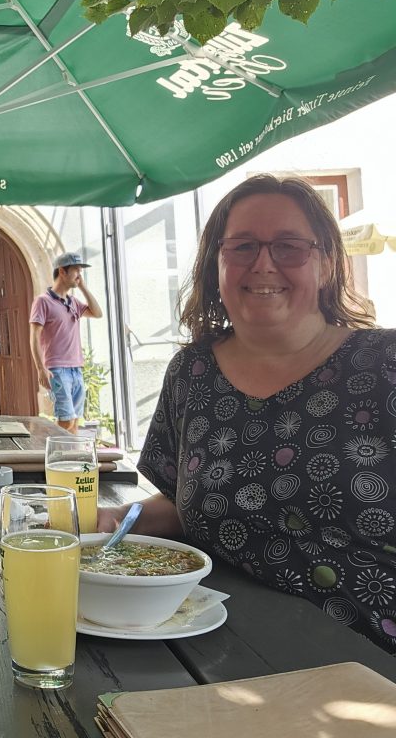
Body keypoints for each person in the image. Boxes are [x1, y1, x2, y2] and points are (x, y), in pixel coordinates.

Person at [98, 175, 396, 651]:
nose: (263, 264)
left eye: (289, 246)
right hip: (222, 645)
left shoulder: (385, 363)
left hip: (372, 652)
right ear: (215, 264)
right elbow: (184, 502)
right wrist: (110, 519)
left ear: (326, 264)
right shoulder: (192, 372)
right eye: (242, 247)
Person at [30, 252, 103, 433]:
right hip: (57, 369)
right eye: (76, 270)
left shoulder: (73, 302)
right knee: (66, 419)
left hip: (76, 368)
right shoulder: (43, 302)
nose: (79, 274)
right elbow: (34, 337)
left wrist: (83, 287)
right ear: (62, 271)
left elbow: (97, 313)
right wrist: (41, 369)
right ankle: (47, 452)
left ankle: (72, 458)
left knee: (75, 421)